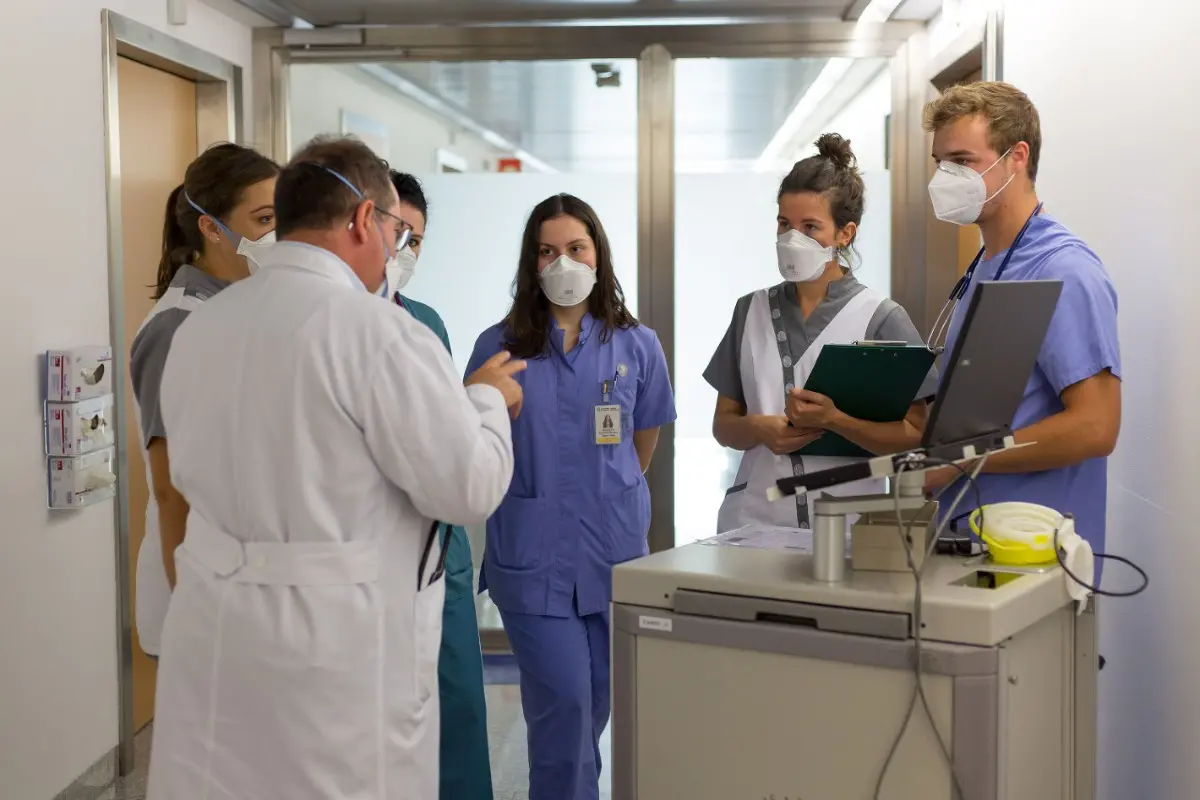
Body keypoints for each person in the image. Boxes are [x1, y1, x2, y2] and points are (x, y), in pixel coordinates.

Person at [146, 136, 525, 800]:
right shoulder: (375, 332)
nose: (392, 250)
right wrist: (489, 402)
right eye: (390, 228)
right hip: (328, 651)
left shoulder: (199, 326)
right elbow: (468, 487)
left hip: (216, 630)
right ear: (361, 221)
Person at [465, 194, 676, 800]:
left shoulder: (636, 346)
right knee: (565, 706)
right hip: (532, 562)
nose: (563, 262)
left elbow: (642, 445)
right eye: (548, 251)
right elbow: (474, 442)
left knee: (593, 711)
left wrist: (605, 498)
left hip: (612, 556)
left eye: (575, 248)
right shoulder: (499, 346)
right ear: (532, 263)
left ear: (598, 255)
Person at [921, 82, 1121, 551]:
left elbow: (1096, 426)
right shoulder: (986, 265)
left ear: (1017, 157)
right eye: (939, 164)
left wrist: (961, 460)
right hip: (973, 540)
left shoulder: (1062, 270)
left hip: (1038, 556)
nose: (945, 177)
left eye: (962, 161)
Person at [706, 133, 936, 533]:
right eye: (784, 224)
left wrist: (837, 421)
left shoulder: (881, 318)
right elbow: (723, 425)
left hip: (845, 526)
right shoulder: (751, 311)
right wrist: (759, 428)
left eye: (810, 227)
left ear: (844, 233)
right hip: (753, 522)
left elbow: (915, 436)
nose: (793, 238)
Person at [131, 142, 279, 660]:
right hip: (195, 585)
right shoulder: (179, 325)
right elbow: (172, 488)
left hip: (239, 573)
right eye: (263, 219)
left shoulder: (245, 311)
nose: (277, 234)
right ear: (211, 228)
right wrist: (193, 603)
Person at [382, 170, 494, 800]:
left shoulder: (426, 322)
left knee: (457, 704)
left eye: (417, 240)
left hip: (438, 546)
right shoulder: (328, 324)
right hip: (372, 552)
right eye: (397, 231)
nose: (405, 250)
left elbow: (447, 442)